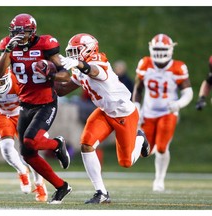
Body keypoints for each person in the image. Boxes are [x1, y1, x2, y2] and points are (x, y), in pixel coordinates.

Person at [54, 33, 150, 204]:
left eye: (77, 51)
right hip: (104, 112)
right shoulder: (79, 67)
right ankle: (101, 192)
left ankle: (140, 139)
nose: (73, 56)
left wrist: (78, 63)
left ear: (90, 49)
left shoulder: (99, 61)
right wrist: (46, 78)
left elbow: (93, 70)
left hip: (124, 113)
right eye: (72, 52)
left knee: (126, 162)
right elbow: (62, 90)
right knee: (86, 144)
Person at [0, 13, 72, 204]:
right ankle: (62, 186)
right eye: (16, 33)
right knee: (27, 154)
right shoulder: (9, 46)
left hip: (46, 103)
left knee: (30, 141)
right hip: (25, 104)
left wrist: (51, 75)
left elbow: (66, 74)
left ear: (32, 31)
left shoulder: (46, 44)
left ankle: (56, 144)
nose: (20, 36)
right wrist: (7, 51)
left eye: (24, 32)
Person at [0, 56, 48, 202]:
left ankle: (39, 183)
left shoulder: (18, 81)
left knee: (31, 150)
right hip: (1, 113)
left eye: (2, 80)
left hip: (23, 112)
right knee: (6, 146)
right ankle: (22, 171)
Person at [132, 33, 193, 192]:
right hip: (149, 112)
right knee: (147, 151)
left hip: (168, 113)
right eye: (157, 48)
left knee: (162, 148)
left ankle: (159, 180)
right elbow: (138, 89)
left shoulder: (177, 67)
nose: (159, 52)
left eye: (162, 48)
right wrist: (136, 109)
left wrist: (179, 104)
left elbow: (188, 92)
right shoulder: (145, 63)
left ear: (170, 50)